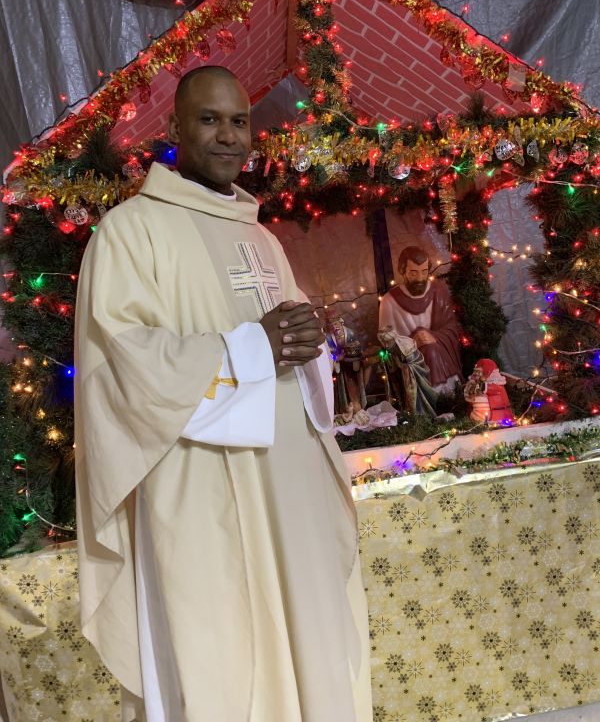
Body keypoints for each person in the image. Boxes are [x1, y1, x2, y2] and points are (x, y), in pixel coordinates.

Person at [75, 66, 372, 722]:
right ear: (175, 128)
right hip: (200, 484)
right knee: (218, 653)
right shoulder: (130, 234)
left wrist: (308, 337)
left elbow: (290, 345)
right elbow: (127, 362)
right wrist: (251, 349)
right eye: (210, 120)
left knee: (305, 634)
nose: (229, 136)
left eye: (239, 121)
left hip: (288, 483)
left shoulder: (261, 236)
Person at [378, 245, 462, 393]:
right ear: (403, 271)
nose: (420, 278)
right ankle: (431, 398)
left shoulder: (439, 292)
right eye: (413, 273)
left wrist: (434, 337)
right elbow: (386, 340)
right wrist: (411, 343)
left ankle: (446, 395)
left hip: (441, 356)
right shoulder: (389, 301)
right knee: (429, 351)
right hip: (410, 361)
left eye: (424, 272)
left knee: (431, 350)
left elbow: (452, 329)